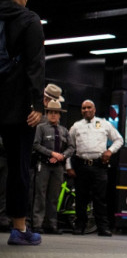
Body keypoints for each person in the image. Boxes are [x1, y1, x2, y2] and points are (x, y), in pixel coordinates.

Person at [0, 0, 45, 246]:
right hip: (17, 107)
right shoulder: (29, 20)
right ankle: (18, 229)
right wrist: (37, 103)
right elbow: (35, 65)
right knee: (19, 166)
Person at [68, 99, 124, 236]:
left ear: (94, 109)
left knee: (100, 198)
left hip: (99, 166)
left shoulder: (104, 124)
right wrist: (68, 166)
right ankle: (80, 226)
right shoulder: (76, 126)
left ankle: (103, 227)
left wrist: (110, 151)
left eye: (89, 107)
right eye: (83, 108)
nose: (86, 110)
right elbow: (69, 147)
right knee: (81, 197)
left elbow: (119, 140)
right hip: (81, 165)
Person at [32, 100, 74, 234]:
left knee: (54, 197)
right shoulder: (41, 128)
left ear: (60, 115)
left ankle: (52, 224)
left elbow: (72, 147)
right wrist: (51, 153)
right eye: (51, 112)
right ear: (47, 113)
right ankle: (37, 224)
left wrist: (62, 155)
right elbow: (36, 144)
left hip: (58, 167)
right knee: (40, 195)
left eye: (56, 113)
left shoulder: (64, 130)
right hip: (43, 165)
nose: (53, 115)